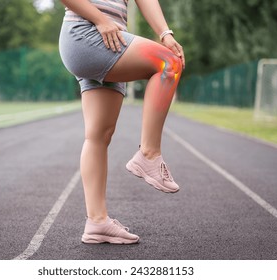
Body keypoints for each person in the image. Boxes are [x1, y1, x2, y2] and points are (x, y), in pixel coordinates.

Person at [59, 0, 185, 244]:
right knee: (169, 63)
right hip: (88, 34)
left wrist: (165, 34)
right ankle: (149, 154)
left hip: (111, 38)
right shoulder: (98, 24)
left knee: (99, 135)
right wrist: (100, 19)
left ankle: (97, 222)